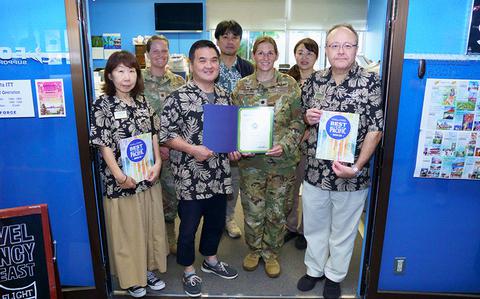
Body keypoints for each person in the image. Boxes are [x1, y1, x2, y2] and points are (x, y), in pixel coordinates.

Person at [297, 24, 383, 299]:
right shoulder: (314, 81)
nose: (341, 51)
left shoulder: (371, 83)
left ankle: (334, 275)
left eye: (348, 45)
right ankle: (314, 269)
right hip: (315, 171)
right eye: (335, 45)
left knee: (343, 230)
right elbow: (303, 117)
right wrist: (307, 117)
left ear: (357, 49)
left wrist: (357, 167)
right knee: (314, 226)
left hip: (351, 175)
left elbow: (376, 129)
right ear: (327, 50)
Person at [159, 40, 239, 297]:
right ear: (191, 64)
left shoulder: (226, 97)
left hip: (219, 174)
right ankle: (188, 270)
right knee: (189, 227)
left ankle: (211, 260)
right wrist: (193, 150)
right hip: (190, 177)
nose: (209, 65)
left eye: (213, 60)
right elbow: (165, 135)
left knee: (216, 223)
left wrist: (234, 148)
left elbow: (229, 135)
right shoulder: (178, 97)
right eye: (202, 60)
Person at [90, 51, 168, 298]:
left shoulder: (142, 101)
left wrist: (157, 164)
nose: (127, 77)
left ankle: (146, 270)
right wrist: (120, 177)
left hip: (147, 178)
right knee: (127, 230)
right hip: (122, 182)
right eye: (121, 71)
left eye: (132, 71)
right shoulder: (102, 105)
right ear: (110, 75)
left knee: (147, 226)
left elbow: (154, 133)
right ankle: (131, 278)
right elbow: (103, 145)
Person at [231, 36, 305, 278]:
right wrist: (240, 146)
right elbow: (235, 124)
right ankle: (254, 250)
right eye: (260, 53)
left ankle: (271, 253)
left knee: (277, 211)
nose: (265, 57)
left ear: (276, 56)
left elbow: (298, 121)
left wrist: (284, 145)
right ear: (253, 55)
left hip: (282, 164)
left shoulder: (290, 84)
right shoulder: (242, 87)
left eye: (269, 52)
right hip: (251, 163)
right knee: (252, 210)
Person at [142, 35, 185, 255]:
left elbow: (184, 117)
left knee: (171, 199)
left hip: (174, 152)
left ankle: (170, 239)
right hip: (144, 153)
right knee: (147, 199)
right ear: (147, 55)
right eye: (155, 51)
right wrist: (156, 146)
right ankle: (150, 244)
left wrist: (170, 143)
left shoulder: (178, 82)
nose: (160, 55)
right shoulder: (137, 81)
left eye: (164, 51)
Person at [214, 20, 254, 239]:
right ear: (218, 40)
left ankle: (229, 219)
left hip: (240, 131)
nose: (230, 41)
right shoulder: (210, 64)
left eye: (234, 37)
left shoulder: (247, 67)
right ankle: (215, 220)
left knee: (234, 178)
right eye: (225, 37)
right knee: (214, 175)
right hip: (216, 128)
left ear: (240, 40)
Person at [284, 38, 319, 250]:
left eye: (309, 53)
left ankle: (306, 230)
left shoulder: (323, 80)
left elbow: (326, 113)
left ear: (316, 56)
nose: (304, 57)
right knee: (290, 189)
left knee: (310, 192)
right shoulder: (287, 80)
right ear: (294, 54)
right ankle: (290, 227)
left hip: (312, 146)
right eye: (300, 52)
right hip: (290, 145)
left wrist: (308, 131)